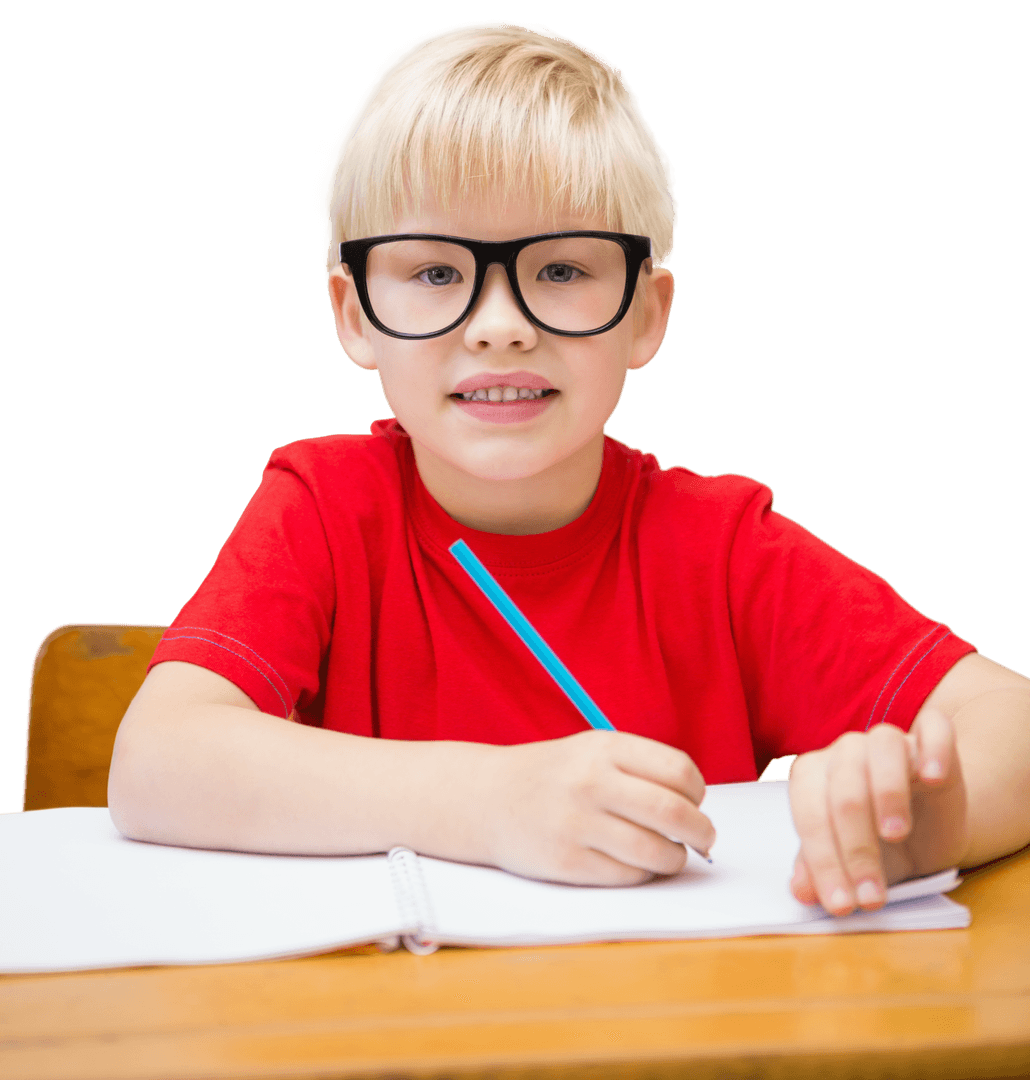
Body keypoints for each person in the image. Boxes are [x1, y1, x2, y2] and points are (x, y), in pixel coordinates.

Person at [107, 21, 1030, 918]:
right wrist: (489, 799)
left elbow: (1010, 721)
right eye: (434, 273)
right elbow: (157, 763)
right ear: (355, 314)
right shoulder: (323, 508)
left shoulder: (720, 550)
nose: (500, 322)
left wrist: (926, 825)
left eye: (559, 270)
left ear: (646, 313)